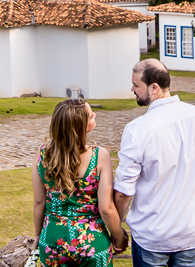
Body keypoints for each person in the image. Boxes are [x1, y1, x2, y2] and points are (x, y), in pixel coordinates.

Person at [113, 59, 195, 267]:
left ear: (154, 88)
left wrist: (116, 227)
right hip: (190, 231)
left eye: (136, 85)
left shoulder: (138, 129)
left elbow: (123, 191)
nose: (132, 89)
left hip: (151, 236)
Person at [33, 99, 129, 267]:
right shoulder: (99, 156)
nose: (95, 115)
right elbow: (106, 208)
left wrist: (37, 235)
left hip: (52, 239)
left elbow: (39, 201)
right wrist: (120, 237)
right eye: (91, 116)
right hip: (92, 242)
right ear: (80, 126)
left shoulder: (42, 155)